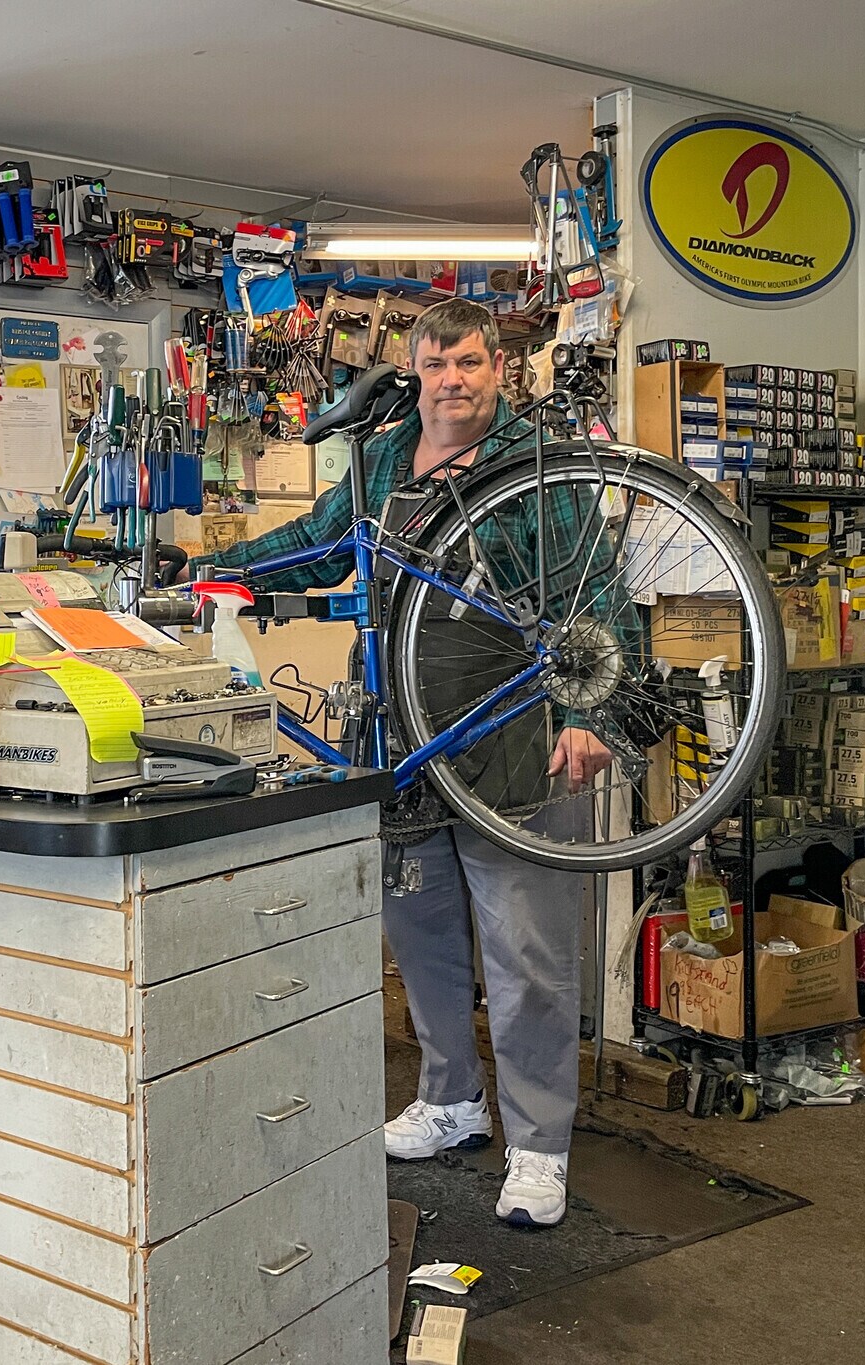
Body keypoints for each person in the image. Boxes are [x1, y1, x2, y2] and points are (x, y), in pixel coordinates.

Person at [198, 298, 611, 1227]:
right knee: (419, 932)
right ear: (413, 371)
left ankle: (538, 1147)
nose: (450, 381)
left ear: (498, 368)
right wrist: (217, 569)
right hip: (400, 734)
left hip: (512, 736)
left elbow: (602, 585)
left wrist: (593, 711)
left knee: (527, 956)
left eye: (466, 362)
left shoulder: (537, 462)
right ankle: (452, 1100)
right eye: (434, 365)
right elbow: (316, 542)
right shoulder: (384, 457)